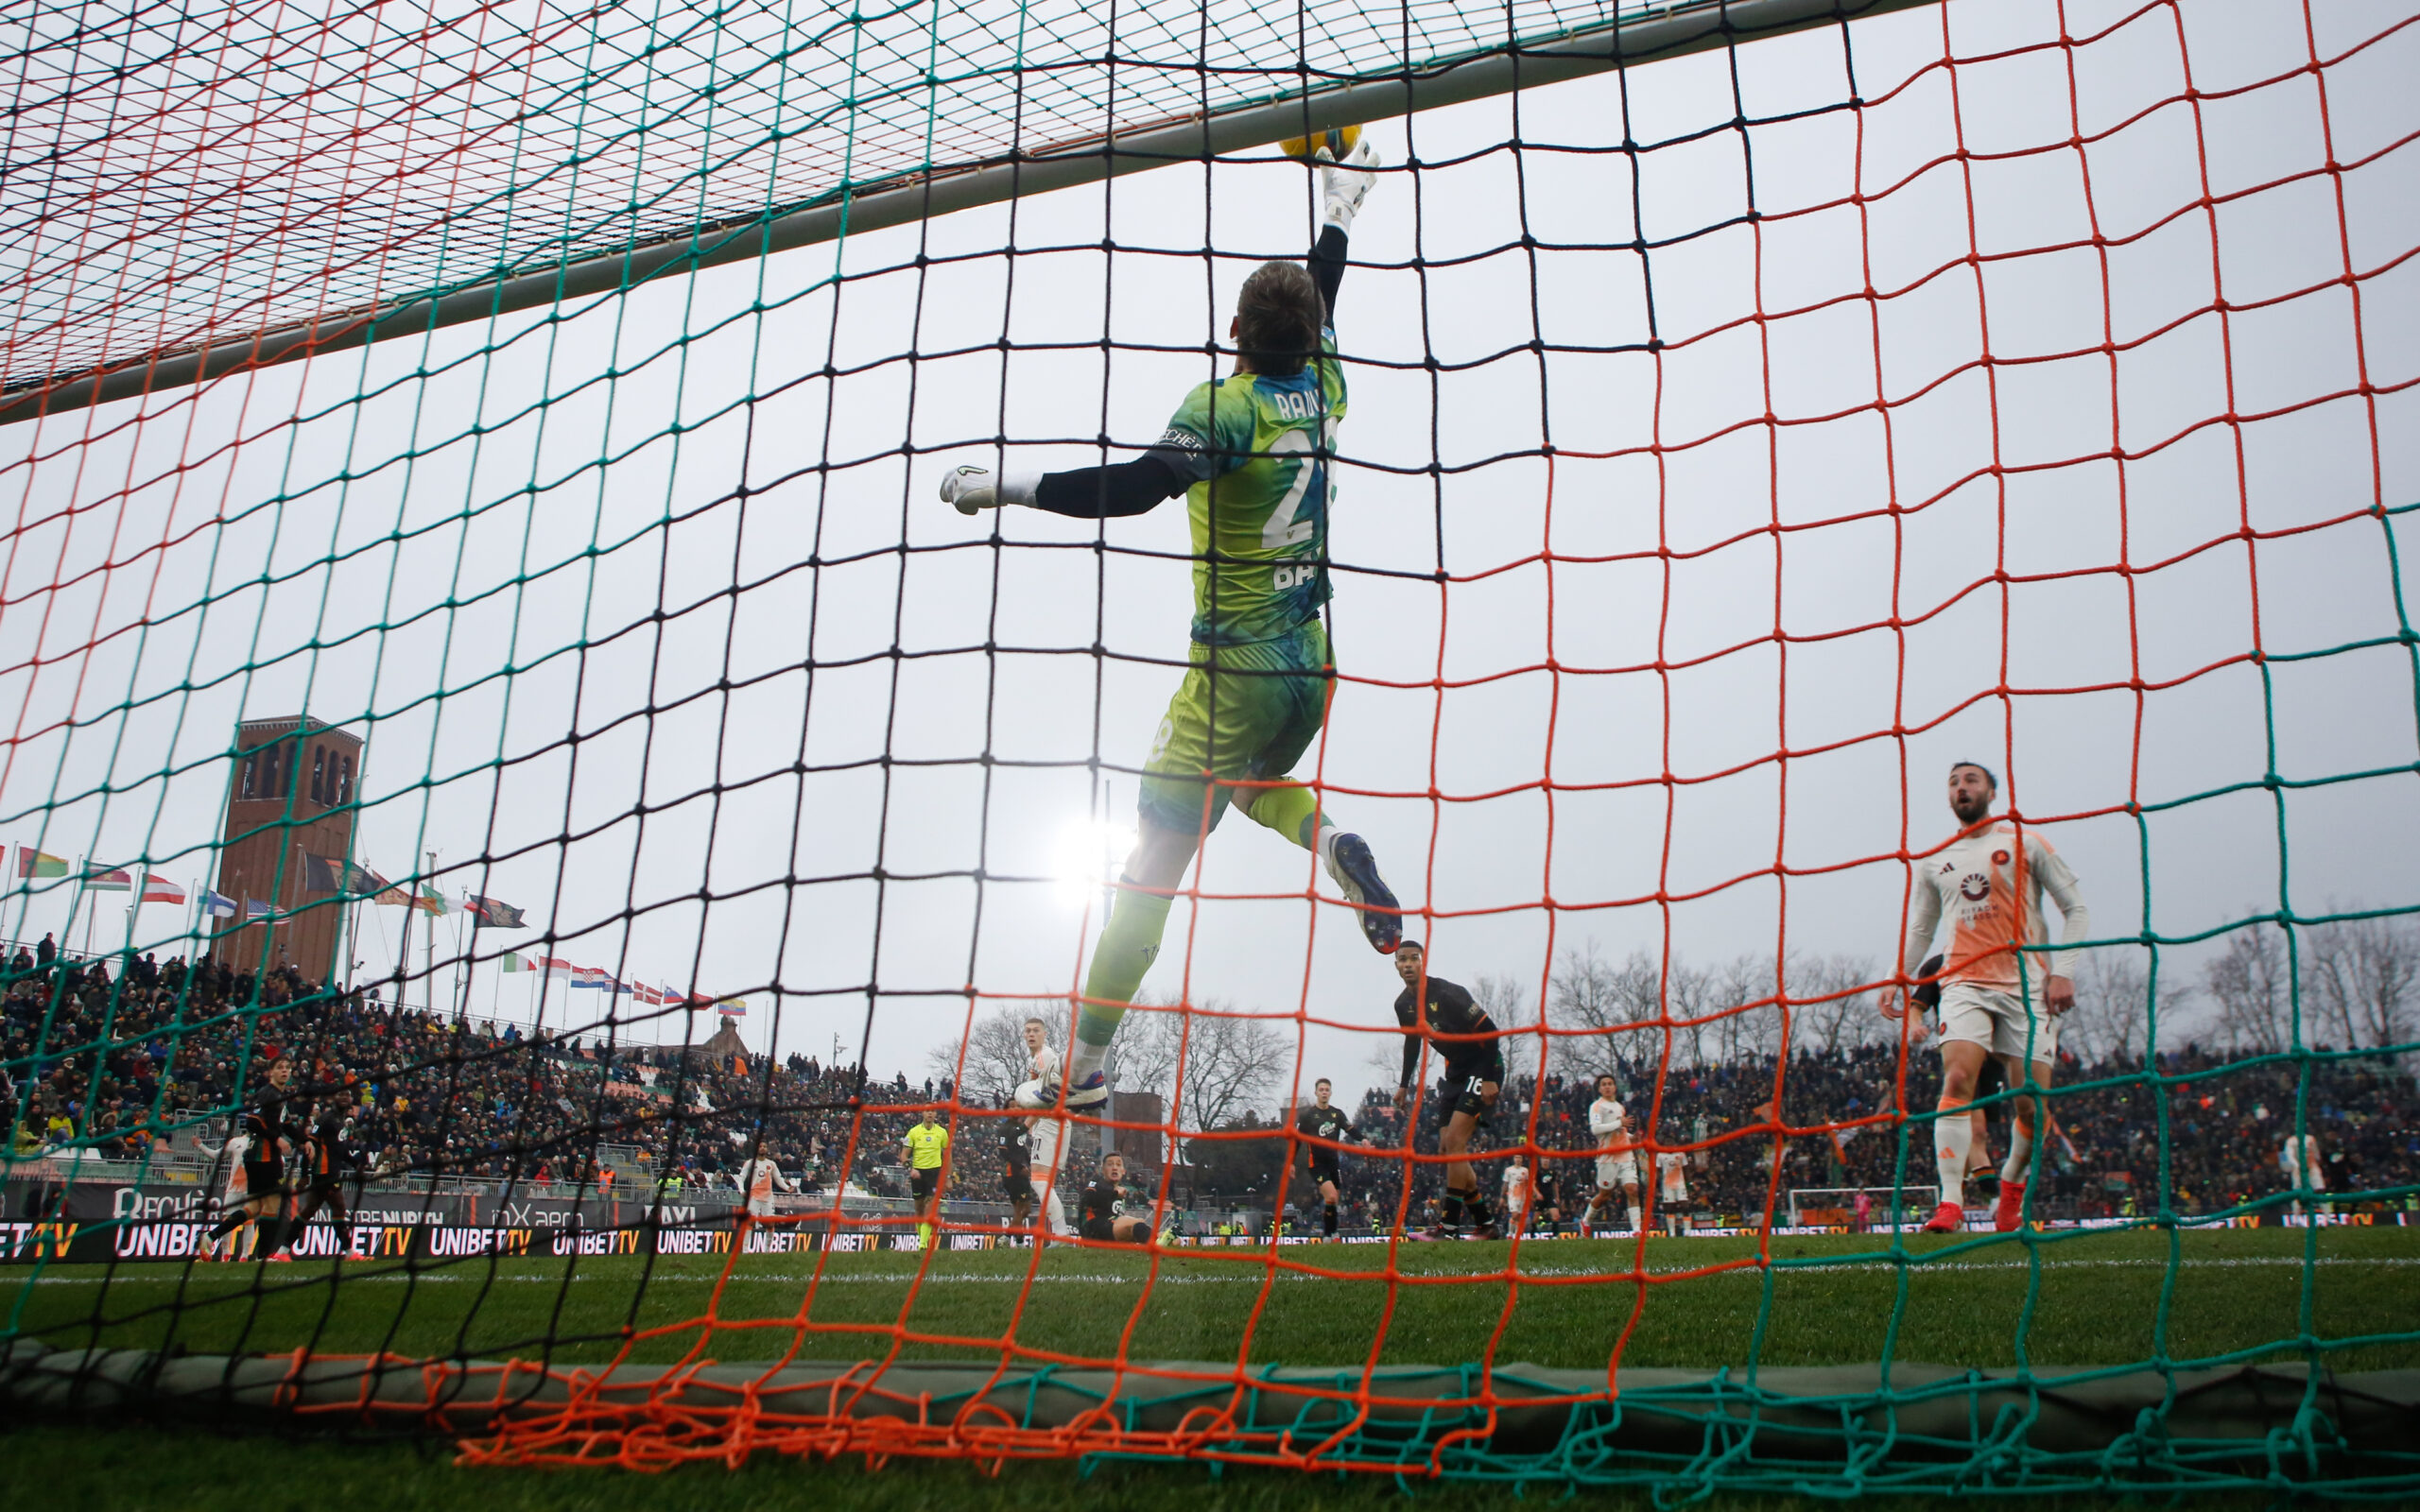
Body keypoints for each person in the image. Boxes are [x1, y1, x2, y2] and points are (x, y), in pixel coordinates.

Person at [942, 137, 1402, 1113]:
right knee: (1255, 786)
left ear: (1231, 325)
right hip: (1312, 664)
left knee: (1147, 867)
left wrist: (1006, 488)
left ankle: (1089, 1064)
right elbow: (1319, 297)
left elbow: (1141, 487)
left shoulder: (1223, 408)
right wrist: (1341, 205)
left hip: (1230, 675)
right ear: (1305, 334)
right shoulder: (1322, 387)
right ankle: (1328, 845)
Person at [1885, 761, 2091, 1233]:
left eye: (1971, 779)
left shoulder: (2026, 844)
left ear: (1992, 792)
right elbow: (1922, 926)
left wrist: (2064, 973)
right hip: (1963, 982)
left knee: (2031, 1104)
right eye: (1954, 782)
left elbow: (2075, 909)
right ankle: (1951, 1204)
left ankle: (2010, 1194)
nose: (1962, 787)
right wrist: (1895, 976)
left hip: (2025, 985)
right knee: (1957, 1079)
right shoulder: (1936, 859)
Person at [1392, 940, 1502, 1239]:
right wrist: (1404, 1085)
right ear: (1397, 966)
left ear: (1423, 962)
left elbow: (1491, 1032)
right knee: (1447, 1149)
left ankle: (1448, 1227)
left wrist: (1490, 1077)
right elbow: (1413, 1042)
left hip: (1483, 1065)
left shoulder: (1449, 993)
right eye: (1403, 960)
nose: (1409, 964)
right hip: (1455, 1073)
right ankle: (1487, 1225)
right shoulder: (1403, 1005)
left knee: (1456, 1141)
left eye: (1414, 958)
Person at [202, 1055, 298, 1262]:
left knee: (254, 1207)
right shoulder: (267, 1094)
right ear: (270, 1072)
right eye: (280, 1067)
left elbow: (288, 1125)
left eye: (288, 1068)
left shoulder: (280, 1098)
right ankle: (264, 1256)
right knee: (272, 1205)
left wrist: (306, 1141)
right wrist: (277, 1140)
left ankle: (211, 1236)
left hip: (256, 1157)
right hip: (265, 1156)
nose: (285, 1071)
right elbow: (252, 1122)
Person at [1293, 1077, 1361, 1240]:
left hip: (1333, 1162)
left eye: (1327, 1090)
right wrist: (1291, 1163)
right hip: (1316, 1163)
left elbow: (1350, 1129)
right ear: (1316, 1092)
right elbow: (1297, 1140)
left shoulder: (1336, 1114)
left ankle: (1331, 1233)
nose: (1324, 1092)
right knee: (1331, 1196)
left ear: (1330, 1093)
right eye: (1321, 1090)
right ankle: (1329, 1234)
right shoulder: (1308, 1116)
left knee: (1333, 1200)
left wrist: (1363, 1139)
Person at [1582, 1074, 1643, 1233]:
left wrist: (1631, 1137)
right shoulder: (1596, 1107)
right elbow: (1595, 1129)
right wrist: (1619, 1123)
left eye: (1610, 1084)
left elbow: (1620, 1131)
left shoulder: (1620, 1107)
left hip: (1626, 1155)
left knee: (1632, 1190)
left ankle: (1637, 1230)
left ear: (1615, 1087)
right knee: (1604, 1195)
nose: (1607, 1087)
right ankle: (1586, 1221)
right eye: (1604, 1084)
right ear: (1600, 1088)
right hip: (1607, 1157)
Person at [901, 1110, 951, 1247]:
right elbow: (904, 1156)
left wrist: (948, 1177)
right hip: (918, 1173)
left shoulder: (942, 1132)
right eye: (927, 1111)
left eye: (933, 1111)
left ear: (936, 1114)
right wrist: (911, 1169)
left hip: (934, 1174)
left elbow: (947, 1156)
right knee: (919, 1209)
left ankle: (922, 1244)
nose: (930, 1114)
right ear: (923, 1114)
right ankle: (921, 1238)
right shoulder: (913, 1132)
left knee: (930, 1208)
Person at [1079, 1152, 1153, 1244]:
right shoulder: (1094, 1183)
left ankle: (1166, 1239)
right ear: (1103, 1170)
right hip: (1092, 1229)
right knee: (1133, 1224)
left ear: (1123, 1171)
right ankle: (1156, 1243)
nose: (1114, 1167)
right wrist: (1113, 1192)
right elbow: (1090, 1197)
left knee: (1139, 1225)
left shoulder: (1122, 1190)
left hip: (1110, 1230)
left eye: (1118, 1165)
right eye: (1110, 1164)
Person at [733, 1145, 799, 1228]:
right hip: (753, 1195)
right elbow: (741, 1178)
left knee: (769, 1223)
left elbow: (778, 1179)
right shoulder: (750, 1163)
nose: (762, 1148)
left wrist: (787, 1188)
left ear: (767, 1149)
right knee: (751, 1221)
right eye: (760, 1146)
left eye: (764, 1146)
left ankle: (767, 1240)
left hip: (767, 1196)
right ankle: (748, 1239)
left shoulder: (771, 1164)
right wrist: (742, 1190)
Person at [1000, 1108, 1034, 1232]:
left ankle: (1009, 1235)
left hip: (1023, 1173)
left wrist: (1030, 1163)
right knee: (1019, 1208)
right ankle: (1017, 1240)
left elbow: (1022, 1149)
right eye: (1011, 1106)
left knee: (1026, 1209)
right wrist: (1020, 1167)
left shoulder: (1020, 1129)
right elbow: (1003, 1152)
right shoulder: (1004, 1129)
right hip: (1012, 1174)